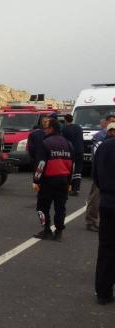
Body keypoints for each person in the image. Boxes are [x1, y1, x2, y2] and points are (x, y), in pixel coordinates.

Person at [32, 118, 73, 241]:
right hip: (63, 180)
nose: (44, 130)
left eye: (46, 128)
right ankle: (59, 232)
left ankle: (46, 230)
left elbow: (41, 164)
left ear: (51, 129)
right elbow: (72, 164)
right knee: (60, 207)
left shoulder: (45, 143)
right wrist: (70, 181)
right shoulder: (68, 144)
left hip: (48, 180)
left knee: (42, 207)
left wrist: (36, 180)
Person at [93, 122, 115, 305]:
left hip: (108, 202)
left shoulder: (104, 147)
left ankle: (103, 292)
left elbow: (96, 176)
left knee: (107, 248)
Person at [86, 114, 115, 232]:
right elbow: (97, 158)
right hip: (102, 173)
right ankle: (91, 221)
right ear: (106, 122)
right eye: (111, 121)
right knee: (96, 197)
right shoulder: (100, 137)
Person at [62, 114, 84, 196]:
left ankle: (69, 188)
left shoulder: (65, 129)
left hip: (71, 151)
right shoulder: (78, 127)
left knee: (69, 170)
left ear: (65, 120)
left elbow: (64, 141)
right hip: (80, 151)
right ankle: (76, 189)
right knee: (78, 171)